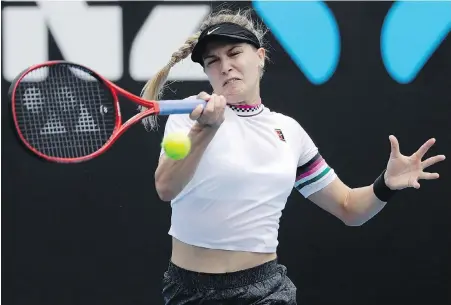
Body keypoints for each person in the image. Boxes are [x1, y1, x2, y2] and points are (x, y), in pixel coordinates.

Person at [139, 8, 446, 305]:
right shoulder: (189, 114)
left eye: (234, 53)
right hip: (191, 291)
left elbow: (349, 208)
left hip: (266, 291)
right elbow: (166, 187)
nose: (225, 66)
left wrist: (387, 184)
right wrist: (204, 130)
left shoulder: (289, 132)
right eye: (212, 61)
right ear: (206, 72)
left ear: (259, 57)